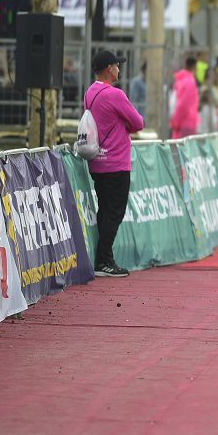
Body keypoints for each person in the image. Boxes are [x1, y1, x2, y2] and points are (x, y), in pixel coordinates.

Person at [84, 51, 144, 278]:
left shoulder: (90, 92)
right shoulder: (115, 95)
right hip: (116, 163)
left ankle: (102, 258)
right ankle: (104, 260)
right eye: (117, 65)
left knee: (105, 210)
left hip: (97, 162)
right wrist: (124, 125)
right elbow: (138, 122)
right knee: (115, 212)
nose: (119, 69)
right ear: (109, 68)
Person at [169, 56, 200, 139]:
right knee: (184, 150)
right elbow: (183, 105)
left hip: (180, 123)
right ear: (195, 67)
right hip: (186, 123)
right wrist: (176, 122)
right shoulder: (190, 82)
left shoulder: (180, 80)